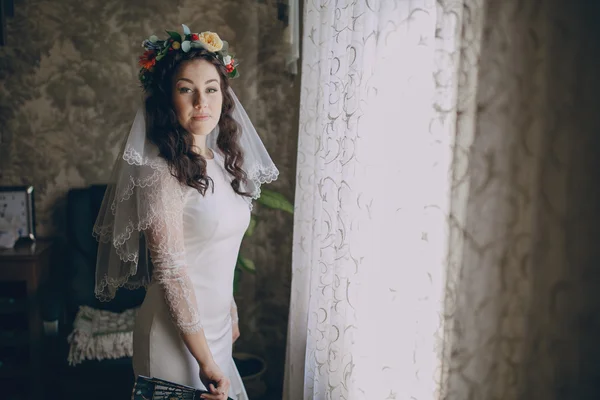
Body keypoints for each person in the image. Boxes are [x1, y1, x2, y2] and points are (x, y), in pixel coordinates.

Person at [93, 25, 278, 400]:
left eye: (211, 88)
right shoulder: (160, 172)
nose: (201, 102)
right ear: (167, 98)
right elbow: (172, 271)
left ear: (224, 96)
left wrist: (230, 308)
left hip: (218, 328)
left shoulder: (225, 162)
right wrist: (206, 361)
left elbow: (217, 250)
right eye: (185, 89)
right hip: (174, 336)